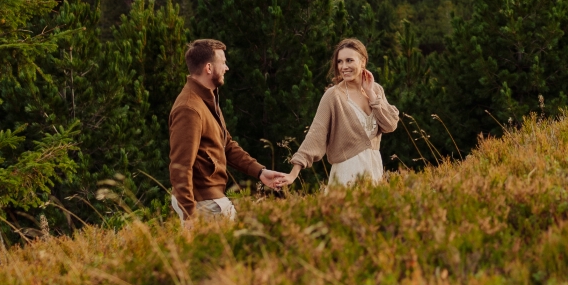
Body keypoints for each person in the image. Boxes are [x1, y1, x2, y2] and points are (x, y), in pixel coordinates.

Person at [168, 38, 287, 225]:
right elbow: (180, 167)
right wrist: (189, 215)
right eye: (222, 62)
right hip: (205, 204)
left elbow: (227, 145)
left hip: (209, 201)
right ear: (209, 68)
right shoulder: (189, 108)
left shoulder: (207, 99)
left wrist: (260, 172)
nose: (226, 68)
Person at [280, 38, 400, 188]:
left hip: (375, 172)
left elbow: (390, 125)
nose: (344, 66)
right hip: (347, 174)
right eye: (340, 62)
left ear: (363, 62)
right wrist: (294, 172)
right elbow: (316, 133)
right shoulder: (333, 96)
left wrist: (371, 94)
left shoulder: (375, 89)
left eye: (349, 60)